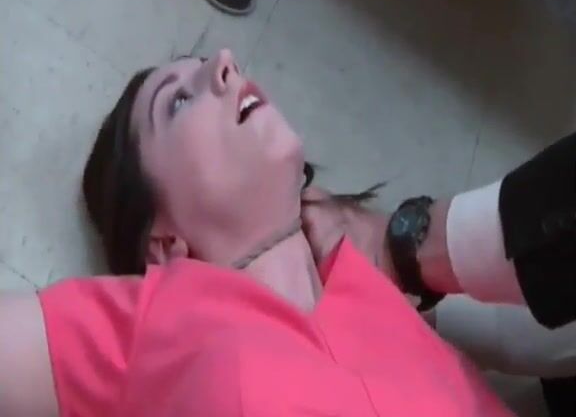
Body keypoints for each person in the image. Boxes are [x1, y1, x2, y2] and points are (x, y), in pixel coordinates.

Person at [0, 49, 574, 416]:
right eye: (177, 101)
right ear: (165, 244)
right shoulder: (159, 319)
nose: (224, 62)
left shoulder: (387, 299)